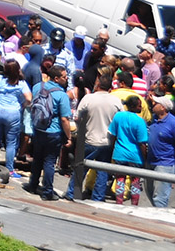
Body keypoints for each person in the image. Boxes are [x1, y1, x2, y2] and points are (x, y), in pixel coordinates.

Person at [69, 72, 123, 201]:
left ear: (97, 85)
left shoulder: (88, 98)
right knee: (103, 171)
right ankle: (98, 198)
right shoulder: (116, 101)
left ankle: (72, 193)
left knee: (81, 168)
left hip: (89, 139)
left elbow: (77, 117)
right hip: (107, 142)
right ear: (110, 88)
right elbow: (120, 119)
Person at [26, 64, 73, 201]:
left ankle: (33, 185)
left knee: (37, 158)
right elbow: (64, 119)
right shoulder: (61, 95)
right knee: (49, 161)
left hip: (38, 128)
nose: (67, 79)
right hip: (53, 132)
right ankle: (47, 192)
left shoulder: (37, 87)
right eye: (64, 77)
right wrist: (68, 137)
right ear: (57, 78)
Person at [0, 59, 30, 180]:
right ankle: (10, 169)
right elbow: (29, 98)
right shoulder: (21, 83)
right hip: (13, 113)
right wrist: (23, 105)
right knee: (11, 143)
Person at [146, 94, 175, 208]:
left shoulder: (174, 123)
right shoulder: (153, 119)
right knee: (150, 194)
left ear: (163, 107)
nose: (153, 104)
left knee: (160, 199)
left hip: (165, 164)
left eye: (156, 103)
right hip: (150, 162)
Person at [107, 95, 149, 205]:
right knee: (135, 182)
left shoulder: (118, 116)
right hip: (135, 156)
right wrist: (145, 158)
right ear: (135, 107)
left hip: (119, 153)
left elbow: (112, 135)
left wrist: (112, 149)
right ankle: (134, 204)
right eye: (139, 105)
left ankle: (119, 201)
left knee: (120, 179)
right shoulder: (140, 121)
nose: (141, 107)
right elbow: (142, 143)